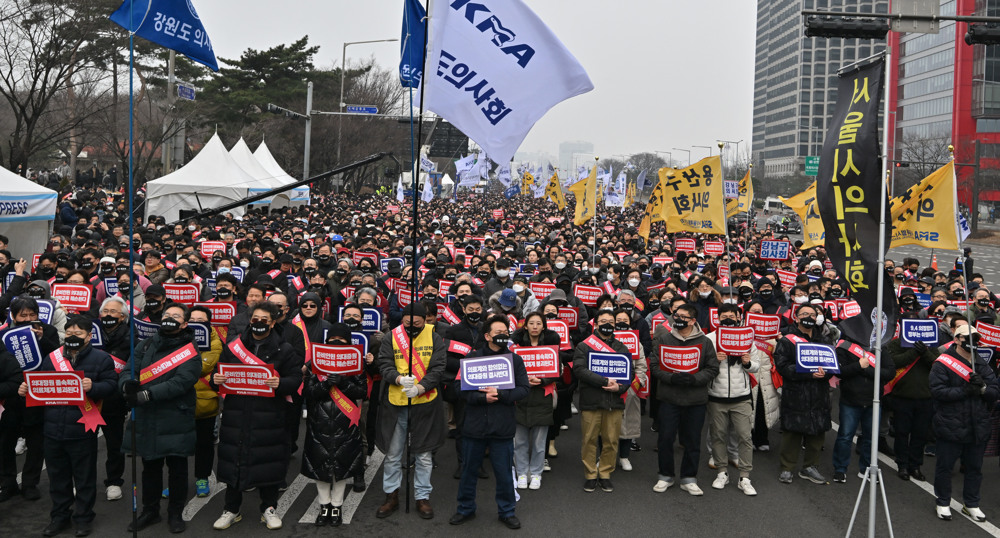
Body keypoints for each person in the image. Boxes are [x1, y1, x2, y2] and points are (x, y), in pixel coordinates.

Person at [20, 315, 116, 537]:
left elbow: (112, 386)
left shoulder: (102, 359)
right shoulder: (52, 358)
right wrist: (26, 389)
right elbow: (39, 386)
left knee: (84, 478)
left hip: (82, 429)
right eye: (70, 333)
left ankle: (83, 518)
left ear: (89, 336)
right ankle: (59, 516)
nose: (73, 337)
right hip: (53, 429)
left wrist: (94, 386)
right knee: (57, 478)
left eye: (79, 334)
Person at [211, 302, 303, 531]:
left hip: (269, 416)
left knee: (268, 462)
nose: (259, 323)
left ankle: (269, 508)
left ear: (273, 322)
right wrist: (216, 380)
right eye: (255, 318)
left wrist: (280, 383)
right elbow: (218, 373)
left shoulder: (285, 349)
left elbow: (296, 379)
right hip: (236, 414)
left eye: (264, 319)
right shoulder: (234, 347)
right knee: (235, 460)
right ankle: (231, 509)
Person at [120, 303, 202, 534]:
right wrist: (127, 385)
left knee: (177, 468)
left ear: (185, 323)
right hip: (148, 416)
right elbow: (129, 369)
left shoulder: (189, 349)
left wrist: (147, 394)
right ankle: (150, 510)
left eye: (176, 316)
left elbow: (182, 381)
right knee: (150, 466)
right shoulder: (146, 344)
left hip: (176, 414)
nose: (170, 318)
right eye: (167, 315)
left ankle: (176, 513)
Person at [449, 314, 529, 530]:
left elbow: (524, 389)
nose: (503, 335)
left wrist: (501, 394)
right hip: (474, 426)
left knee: (503, 473)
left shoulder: (515, 360)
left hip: (502, 427)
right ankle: (465, 508)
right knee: (468, 471)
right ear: (487, 335)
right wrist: (480, 398)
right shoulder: (472, 358)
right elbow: (457, 388)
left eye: (506, 332)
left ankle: (507, 511)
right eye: (498, 332)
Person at [375, 302, 447, 520]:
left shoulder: (434, 337)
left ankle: (422, 497)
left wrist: (421, 386)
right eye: (408, 324)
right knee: (393, 454)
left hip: (425, 402)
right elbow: (384, 363)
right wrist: (397, 378)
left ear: (425, 320)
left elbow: (438, 367)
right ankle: (391, 495)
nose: (412, 327)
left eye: (416, 324)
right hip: (395, 403)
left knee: (424, 455)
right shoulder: (392, 336)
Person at [929, 325, 999, 521]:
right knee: (945, 466)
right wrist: (965, 390)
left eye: (975, 338)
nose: (972, 342)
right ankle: (943, 501)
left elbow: (994, 391)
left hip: (978, 425)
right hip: (951, 424)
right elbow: (938, 392)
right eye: (968, 338)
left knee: (975, 468)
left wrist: (983, 388)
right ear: (957, 339)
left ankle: (972, 504)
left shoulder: (981, 363)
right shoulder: (942, 363)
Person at [650, 303, 720, 495]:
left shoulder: (705, 342)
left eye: (683, 317)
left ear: (693, 320)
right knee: (665, 438)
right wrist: (671, 377)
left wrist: (694, 379)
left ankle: (689, 478)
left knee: (692, 441)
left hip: (695, 400)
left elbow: (713, 368)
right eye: (676, 315)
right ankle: (665, 475)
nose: (678, 319)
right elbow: (654, 366)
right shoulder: (664, 338)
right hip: (668, 398)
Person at [302, 323, 366, 527]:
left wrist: (344, 383)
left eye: (341, 340)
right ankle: (324, 505)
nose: (336, 343)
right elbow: (308, 393)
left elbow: (362, 392)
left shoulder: (357, 362)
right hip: (319, 421)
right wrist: (326, 384)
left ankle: (337, 505)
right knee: (320, 467)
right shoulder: (315, 362)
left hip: (345, 421)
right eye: (333, 339)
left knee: (341, 466)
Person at [773, 303, 833, 485]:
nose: (809, 317)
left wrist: (826, 373)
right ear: (796, 317)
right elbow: (782, 367)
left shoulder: (824, 340)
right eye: (804, 313)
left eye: (812, 314)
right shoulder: (787, 340)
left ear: (817, 318)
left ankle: (810, 466)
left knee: (817, 433)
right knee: (792, 433)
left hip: (819, 393)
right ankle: (787, 468)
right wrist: (807, 373)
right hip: (796, 393)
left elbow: (832, 364)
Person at [573, 309, 632, 493]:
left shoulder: (622, 347)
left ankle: (605, 473)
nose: (607, 324)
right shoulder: (584, 346)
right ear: (596, 324)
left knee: (611, 440)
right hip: (591, 400)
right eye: (603, 321)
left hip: (614, 401)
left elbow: (628, 374)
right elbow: (579, 370)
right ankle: (590, 474)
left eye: (611, 321)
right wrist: (604, 381)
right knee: (589, 439)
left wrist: (620, 388)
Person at [705, 304, 760, 495]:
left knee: (745, 437)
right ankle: (722, 472)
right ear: (718, 318)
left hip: (741, 396)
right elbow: (701, 365)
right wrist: (715, 360)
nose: (728, 319)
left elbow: (756, 366)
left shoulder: (747, 339)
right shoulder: (710, 339)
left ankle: (745, 477)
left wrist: (748, 362)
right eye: (724, 316)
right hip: (716, 396)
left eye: (732, 316)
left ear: (738, 318)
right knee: (718, 435)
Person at [831, 335, 894, 484]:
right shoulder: (845, 346)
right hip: (850, 399)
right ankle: (840, 469)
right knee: (845, 436)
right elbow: (839, 370)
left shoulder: (880, 346)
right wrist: (858, 366)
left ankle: (866, 469)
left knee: (871, 438)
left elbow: (889, 373)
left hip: (873, 401)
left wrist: (864, 370)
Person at [511, 312, 559, 489]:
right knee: (520, 440)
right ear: (525, 326)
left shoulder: (551, 347)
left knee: (540, 442)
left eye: (539, 323)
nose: (535, 326)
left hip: (542, 396)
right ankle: (522, 472)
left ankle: (537, 473)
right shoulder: (515, 347)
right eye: (531, 323)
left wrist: (543, 380)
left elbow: (557, 371)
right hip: (521, 396)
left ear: (544, 326)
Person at [96, 296, 130, 501]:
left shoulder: (131, 337)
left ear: (123, 317)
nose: (108, 315)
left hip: (113, 400)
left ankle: (114, 481)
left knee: (114, 444)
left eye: (113, 312)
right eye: (105, 312)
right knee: (83, 444)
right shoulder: (90, 333)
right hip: (88, 398)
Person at [189, 305, 222, 498]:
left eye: (200, 321)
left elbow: (202, 367)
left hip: (205, 403)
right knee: (179, 446)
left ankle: (202, 477)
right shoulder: (177, 339)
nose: (196, 324)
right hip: (180, 401)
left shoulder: (215, 342)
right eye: (192, 321)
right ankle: (178, 482)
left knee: (204, 444)